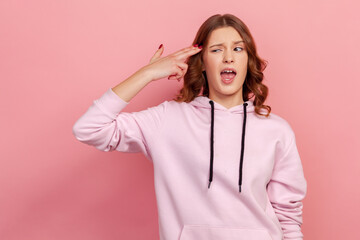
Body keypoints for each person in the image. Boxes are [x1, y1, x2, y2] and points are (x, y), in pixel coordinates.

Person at [72, 13, 307, 240]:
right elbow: (89, 128)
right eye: (216, 50)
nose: (228, 57)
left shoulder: (277, 130)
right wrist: (148, 73)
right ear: (202, 62)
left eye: (238, 48)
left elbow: (288, 214)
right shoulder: (167, 120)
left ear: (248, 60)